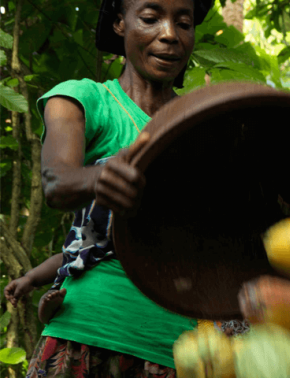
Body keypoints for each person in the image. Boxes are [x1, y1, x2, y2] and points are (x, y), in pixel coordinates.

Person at [2, 0, 210, 375]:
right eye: (150, 18)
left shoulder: (204, 124)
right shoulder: (84, 98)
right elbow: (56, 182)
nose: (170, 34)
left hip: (177, 351)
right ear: (119, 23)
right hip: (85, 334)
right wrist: (100, 177)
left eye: (184, 23)